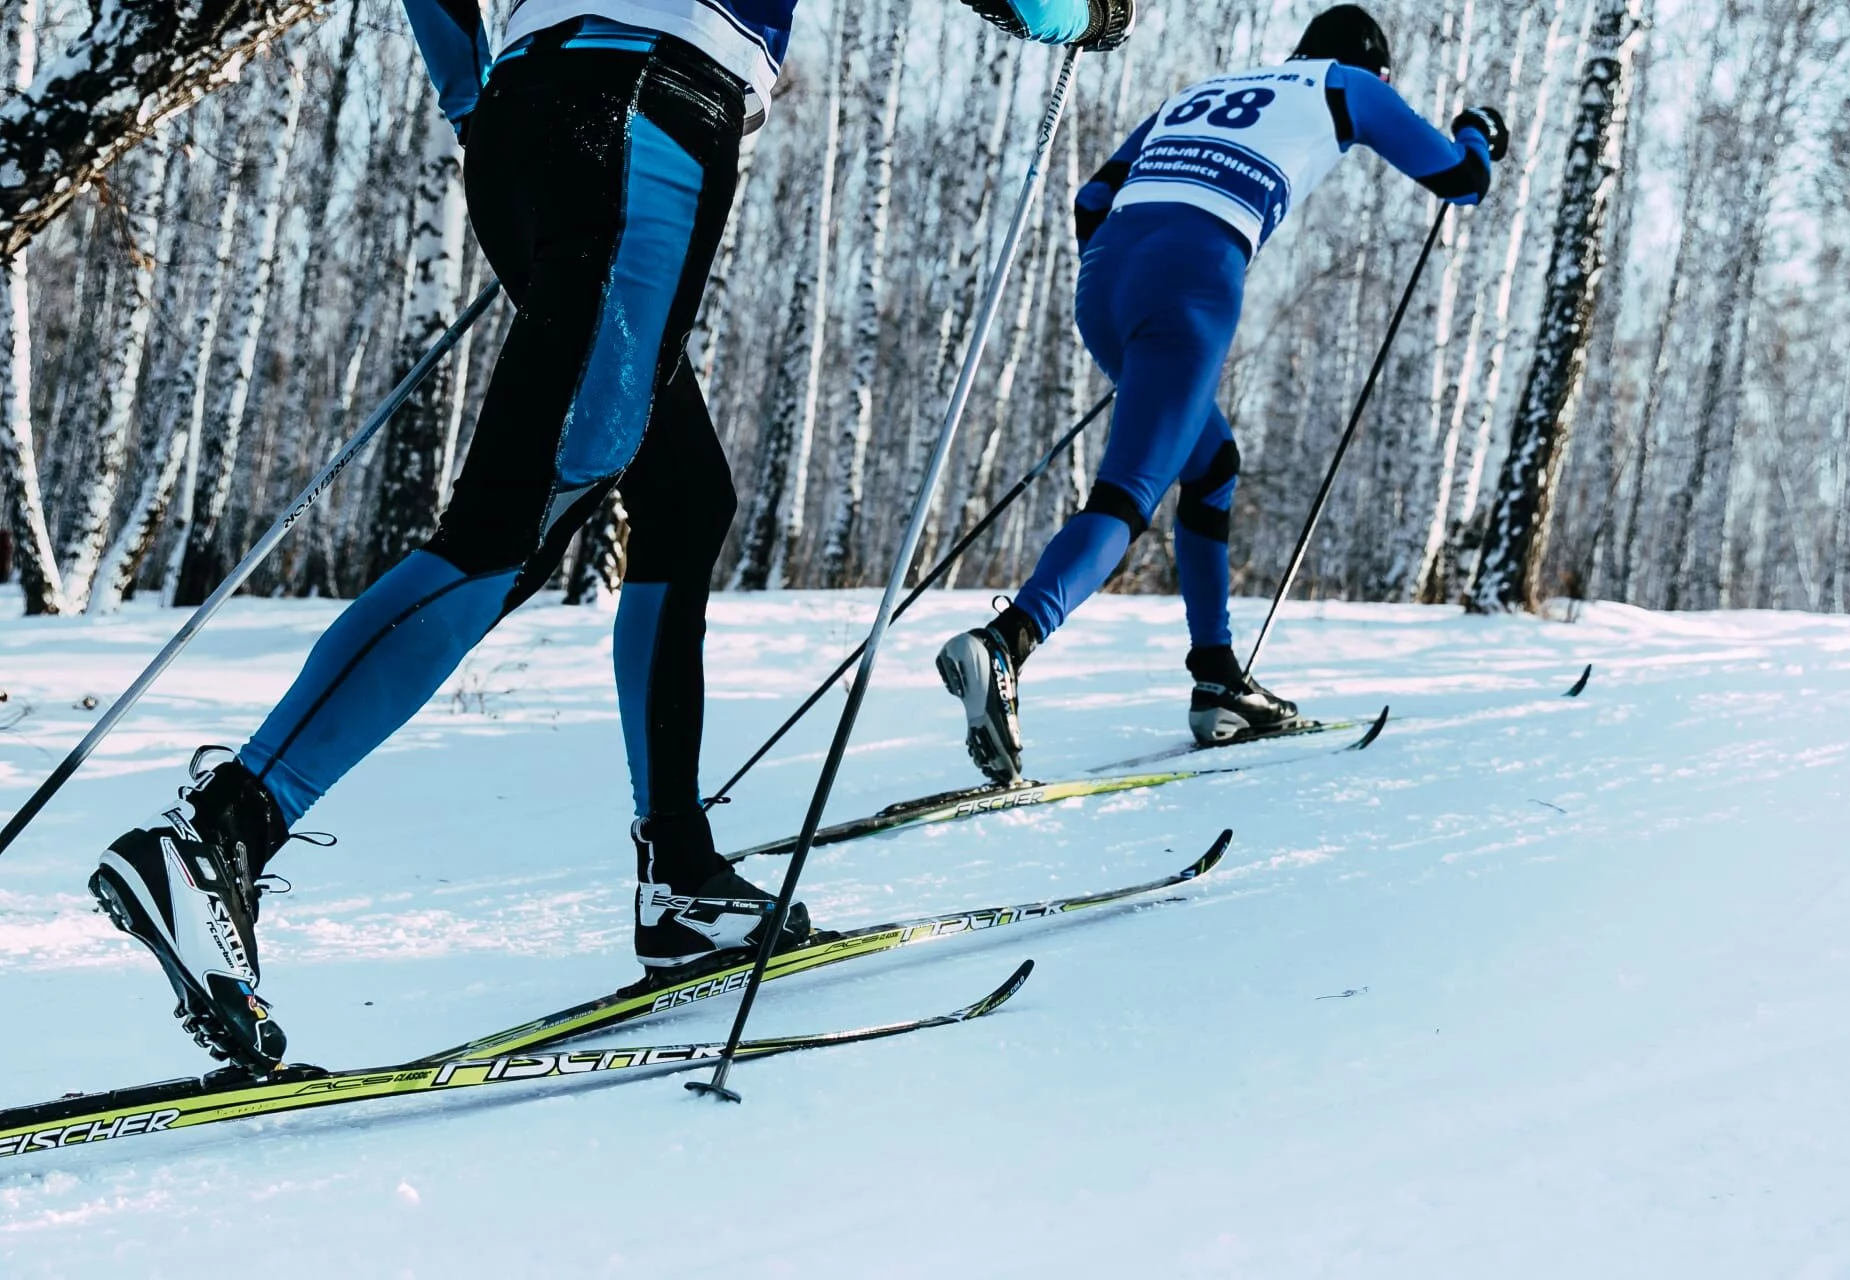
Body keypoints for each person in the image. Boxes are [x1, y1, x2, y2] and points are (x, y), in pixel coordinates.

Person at [87, 0, 1133, 1074]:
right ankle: (226, 828)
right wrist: (1078, 12)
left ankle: (680, 877)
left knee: (684, 494)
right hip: (646, 120)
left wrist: (479, 99)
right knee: (517, 516)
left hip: (539, 116)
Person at [937, 4, 1508, 785]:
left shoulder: (1206, 88)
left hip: (1106, 279)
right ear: (1375, 70)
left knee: (1211, 464)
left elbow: (1091, 199)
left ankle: (1218, 679)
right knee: (1127, 495)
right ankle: (1007, 641)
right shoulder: (1349, 85)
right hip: (1192, 276)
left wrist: (1133, 308)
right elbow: (1461, 181)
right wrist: (1476, 131)